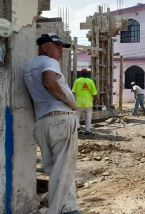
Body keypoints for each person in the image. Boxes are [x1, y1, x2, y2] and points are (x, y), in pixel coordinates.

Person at [24, 33, 80, 214]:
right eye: (57, 47)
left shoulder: (28, 65)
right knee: (63, 168)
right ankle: (55, 210)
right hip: (61, 118)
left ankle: (69, 207)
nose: (60, 51)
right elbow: (48, 81)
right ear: (45, 47)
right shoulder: (49, 62)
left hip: (42, 121)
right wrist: (69, 101)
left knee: (56, 167)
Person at [72, 68, 98, 135]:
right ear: (87, 74)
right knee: (88, 117)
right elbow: (94, 93)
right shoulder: (90, 81)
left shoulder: (77, 81)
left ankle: (77, 128)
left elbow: (73, 92)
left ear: (80, 74)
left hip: (78, 103)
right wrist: (96, 100)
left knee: (77, 116)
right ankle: (87, 130)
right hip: (88, 103)